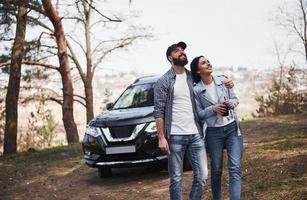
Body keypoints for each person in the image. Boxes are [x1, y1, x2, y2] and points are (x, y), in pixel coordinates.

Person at [153, 42, 208, 200]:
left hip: (195, 134)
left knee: (202, 175)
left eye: (183, 50)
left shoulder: (193, 77)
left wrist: (226, 83)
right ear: (170, 58)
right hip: (175, 136)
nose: (182, 52)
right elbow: (159, 111)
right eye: (177, 51)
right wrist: (161, 137)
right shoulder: (164, 81)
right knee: (176, 179)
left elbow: (209, 80)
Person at [190, 56, 243, 200]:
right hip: (213, 132)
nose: (208, 63)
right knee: (216, 170)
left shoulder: (223, 81)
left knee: (234, 168)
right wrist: (212, 109)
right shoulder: (196, 90)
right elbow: (199, 114)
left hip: (232, 128)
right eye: (203, 63)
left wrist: (229, 103)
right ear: (197, 70)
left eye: (208, 61)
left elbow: (235, 100)